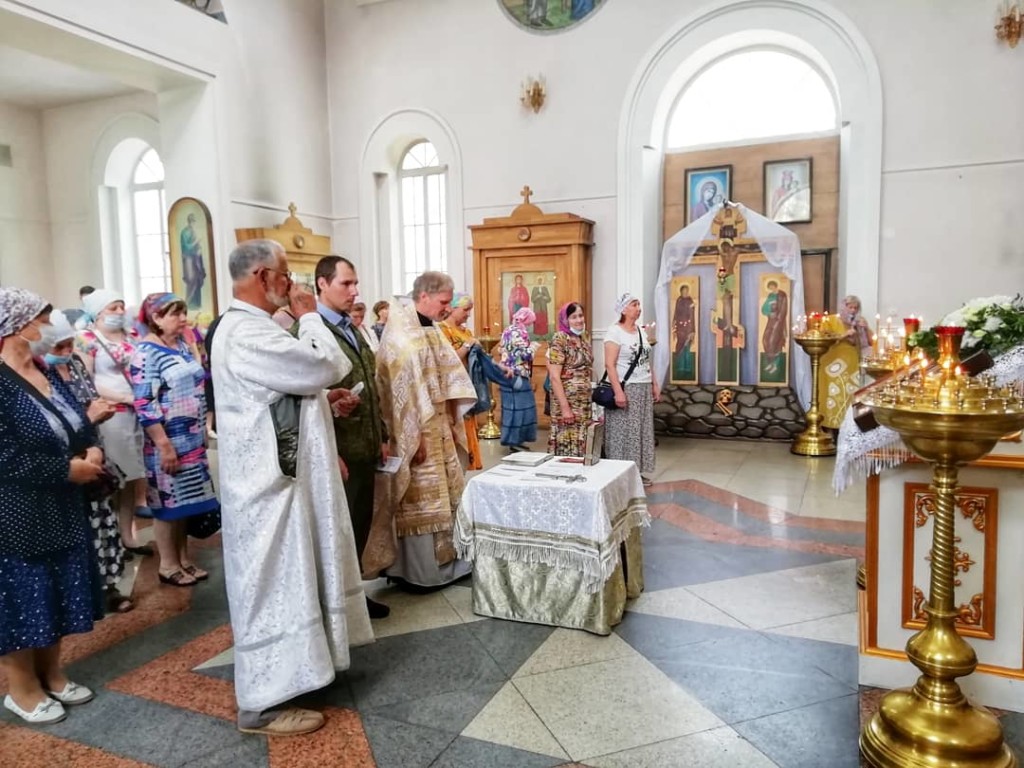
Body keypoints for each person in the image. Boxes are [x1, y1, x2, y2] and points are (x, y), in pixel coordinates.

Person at [211, 239, 372, 736]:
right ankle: (261, 704)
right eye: (285, 275)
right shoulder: (246, 331)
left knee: (291, 580)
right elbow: (323, 363)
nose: (292, 284)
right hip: (266, 489)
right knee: (272, 586)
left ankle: (297, 674)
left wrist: (323, 401)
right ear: (262, 277)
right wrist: (308, 317)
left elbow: (284, 393)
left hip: (280, 482)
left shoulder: (251, 329)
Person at [0, 287, 104, 725]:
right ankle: (21, 689)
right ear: (19, 327)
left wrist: (91, 451)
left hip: (61, 503)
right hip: (18, 507)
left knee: (59, 587)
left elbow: (74, 421)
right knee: (24, 596)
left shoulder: (44, 369)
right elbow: (5, 456)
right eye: (43, 319)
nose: (49, 328)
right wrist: (67, 470)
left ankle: (53, 673)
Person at [375, 271, 477, 589]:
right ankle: (416, 570)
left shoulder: (430, 326)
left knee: (447, 493)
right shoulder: (400, 335)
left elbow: (446, 373)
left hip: (439, 425)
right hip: (414, 430)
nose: (448, 308)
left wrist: (450, 414)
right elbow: (396, 390)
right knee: (419, 499)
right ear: (424, 297)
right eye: (444, 302)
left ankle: (447, 564)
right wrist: (413, 434)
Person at [310, 256, 390, 619]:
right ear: (322, 284)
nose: (354, 291)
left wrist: (382, 434)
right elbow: (310, 398)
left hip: (365, 443)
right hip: (339, 450)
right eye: (346, 283)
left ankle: (354, 595)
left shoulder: (351, 328)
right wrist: (332, 453)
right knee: (336, 531)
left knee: (358, 525)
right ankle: (335, 604)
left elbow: (370, 384)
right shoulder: (312, 332)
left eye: (355, 283)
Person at [44, 311, 131, 614]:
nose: (67, 352)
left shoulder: (76, 364)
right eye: (60, 348)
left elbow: (90, 396)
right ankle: (81, 591)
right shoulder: (40, 374)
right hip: (66, 460)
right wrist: (87, 418)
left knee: (103, 522)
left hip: (93, 450)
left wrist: (97, 419)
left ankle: (109, 586)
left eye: (70, 345)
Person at [130, 293, 219, 588]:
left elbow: (196, 387)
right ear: (155, 318)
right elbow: (144, 403)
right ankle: (167, 564)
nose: (183, 319)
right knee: (168, 506)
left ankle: (183, 558)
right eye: (175, 314)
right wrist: (164, 445)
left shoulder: (181, 345)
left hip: (191, 439)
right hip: (166, 443)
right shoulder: (146, 352)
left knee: (186, 504)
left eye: (183, 312)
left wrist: (202, 432)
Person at [75, 289, 152, 557]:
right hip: (112, 412)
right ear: (97, 313)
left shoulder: (133, 336)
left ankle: (128, 534)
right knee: (115, 476)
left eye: (121, 306)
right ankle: (112, 537)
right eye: (113, 308)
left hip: (137, 411)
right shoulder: (87, 339)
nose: (120, 312)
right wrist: (124, 396)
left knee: (133, 476)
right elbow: (86, 379)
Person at [603, 293, 659, 485]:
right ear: (624, 309)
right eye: (634, 305)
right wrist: (618, 391)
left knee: (641, 430)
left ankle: (636, 471)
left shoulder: (640, 331)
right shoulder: (614, 332)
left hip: (643, 386)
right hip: (626, 387)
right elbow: (610, 365)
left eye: (638, 304)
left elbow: (646, 360)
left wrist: (654, 383)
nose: (639, 308)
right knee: (623, 431)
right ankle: (619, 472)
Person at [439, 292, 485, 470]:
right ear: (452, 308)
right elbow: (449, 360)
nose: (468, 314)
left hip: (469, 387)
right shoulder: (443, 330)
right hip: (454, 391)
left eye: (470, 310)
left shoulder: (466, 331)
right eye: (466, 310)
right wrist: (468, 346)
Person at [547, 302, 593, 456]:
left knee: (582, 443)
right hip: (567, 403)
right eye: (573, 317)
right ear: (565, 320)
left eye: (580, 315)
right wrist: (565, 408)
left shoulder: (583, 338)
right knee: (567, 443)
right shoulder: (560, 339)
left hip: (583, 404)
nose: (579, 320)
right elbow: (554, 376)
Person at [819, 295, 870, 430]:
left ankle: (846, 427)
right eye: (850, 307)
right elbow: (824, 339)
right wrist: (845, 335)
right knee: (832, 394)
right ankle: (828, 426)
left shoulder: (860, 321)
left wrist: (866, 328)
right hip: (832, 362)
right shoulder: (830, 320)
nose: (853, 310)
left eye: (855, 308)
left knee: (849, 394)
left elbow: (869, 342)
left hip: (851, 363)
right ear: (843, 306)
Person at [499, 307, 539, 451]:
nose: (530, 325)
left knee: (513, 408)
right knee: (520, 408)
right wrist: (534, 347)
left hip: (507, 374)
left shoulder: (508, 330)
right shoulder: (518, 333)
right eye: (530, 322)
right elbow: (525, 355)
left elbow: (502, 349)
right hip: (517, 374)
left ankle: (515, 440)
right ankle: (514, 441)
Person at [760, 280, 789, 379]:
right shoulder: (770, 296)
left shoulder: (782, 295)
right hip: (770, 321)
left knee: (774, 342)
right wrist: (769, 312)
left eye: (773, 287)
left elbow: (784, 309)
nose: (772, 289)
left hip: (779, 322)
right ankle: (770, 362)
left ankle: (775, 365)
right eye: (770, 287)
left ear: (776, 286)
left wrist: (778, 318)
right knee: (765, 340)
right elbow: (763, 309)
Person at [180, 213, 206, 309]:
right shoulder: (184, 232)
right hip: (189, 260)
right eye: (193, 221)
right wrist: (196, 242)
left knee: (198, 279)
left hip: (196, 258)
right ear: (190, 221)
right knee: (192, 280)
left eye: (195, 221)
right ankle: (188, 303)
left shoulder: (194, 231)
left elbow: (198, 247)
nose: (194, 223)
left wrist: (199, 248)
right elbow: (187, 247)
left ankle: (196, 304)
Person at [672, 284, 695, 381]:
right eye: (683, 291)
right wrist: (674, 323)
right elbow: (676, 313)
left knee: (687, 348)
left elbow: (692, 316)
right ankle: (680, 368)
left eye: (687, 291)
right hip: (680, 328)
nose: (685, 293)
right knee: (679, 346)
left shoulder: (690, 301)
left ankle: (688, 368)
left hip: (688, 328)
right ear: (681, 292)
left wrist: (693, 330)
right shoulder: (679, 301)